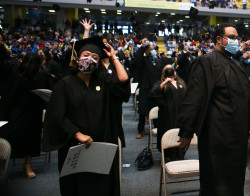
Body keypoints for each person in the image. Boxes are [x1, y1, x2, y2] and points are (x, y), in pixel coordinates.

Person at [41, 37, 130, 196]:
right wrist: (77, 134)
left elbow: (123, 80)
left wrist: (113, 57)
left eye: (94, 57)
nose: (89, 59)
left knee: (102, 184)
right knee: (78, 186)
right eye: (85, 55)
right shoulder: (65, 84)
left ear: (98, 63)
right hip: (75, 145)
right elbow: (56, 114)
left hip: (102, 144)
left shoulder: (104, 81)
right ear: (77, 58)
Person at [178, 24, 250, 195]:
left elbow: (245, 96)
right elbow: (194, 98)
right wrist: (186, 132)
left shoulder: (235, 63)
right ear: (219, 39)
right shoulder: (206, 62)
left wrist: (249, 127)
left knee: (235, 180)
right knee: (216, 182)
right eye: (231, 37)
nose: (236, 41)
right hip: (216, 135)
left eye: (237, 38)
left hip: (238, 135)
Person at [0, 52, 51, 179]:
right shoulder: (16, 73)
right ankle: (3, 163)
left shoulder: (42, 75)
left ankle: (27, 165)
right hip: (16, 110)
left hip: (34, 111)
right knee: (9, 134)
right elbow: (9, 93)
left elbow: (49, 90)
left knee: (32, 138)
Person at [149, 64, 186, 161]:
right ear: (163, 72)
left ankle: (180, 154)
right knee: (169, 134)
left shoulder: (180, 82)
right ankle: (170, 156)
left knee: (180, 135)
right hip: (167, 116)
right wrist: (165, 82)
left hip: (180, 115)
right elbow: (152, 94)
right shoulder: (160, 83)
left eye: (171, 69)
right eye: (167, 69)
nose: (169, 71)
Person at [131, 38, 161, 139]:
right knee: (143, 111)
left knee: (156, 110)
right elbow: (136, 59)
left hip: (155, 90)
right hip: (145, 89)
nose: (152, 51)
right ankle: (140, 130)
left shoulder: (157, 60)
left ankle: (158, 129)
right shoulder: (143, 61)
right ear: (146, 52)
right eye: (150, 50)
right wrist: (143, 47)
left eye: (153, 49)